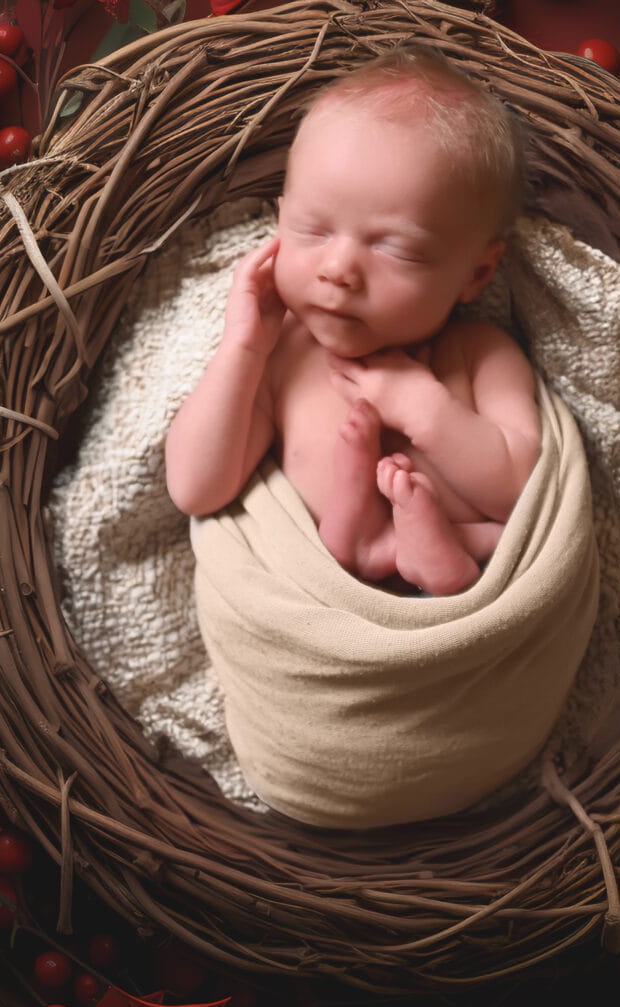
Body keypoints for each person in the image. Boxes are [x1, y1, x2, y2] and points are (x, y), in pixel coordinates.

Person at [165, 44, 540, 597]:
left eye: (395, 250)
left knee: (493, 538)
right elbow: (197, 489)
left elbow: (524, 489)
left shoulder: (479, 354)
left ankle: (442, 562)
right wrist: (242, 349)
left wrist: (423, 408)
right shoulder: (283, 360)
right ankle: (375, 550)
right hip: (319, 605)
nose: (339, 269)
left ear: (476, 273)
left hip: (472, 607)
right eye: (313, 230)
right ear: (280, 217)